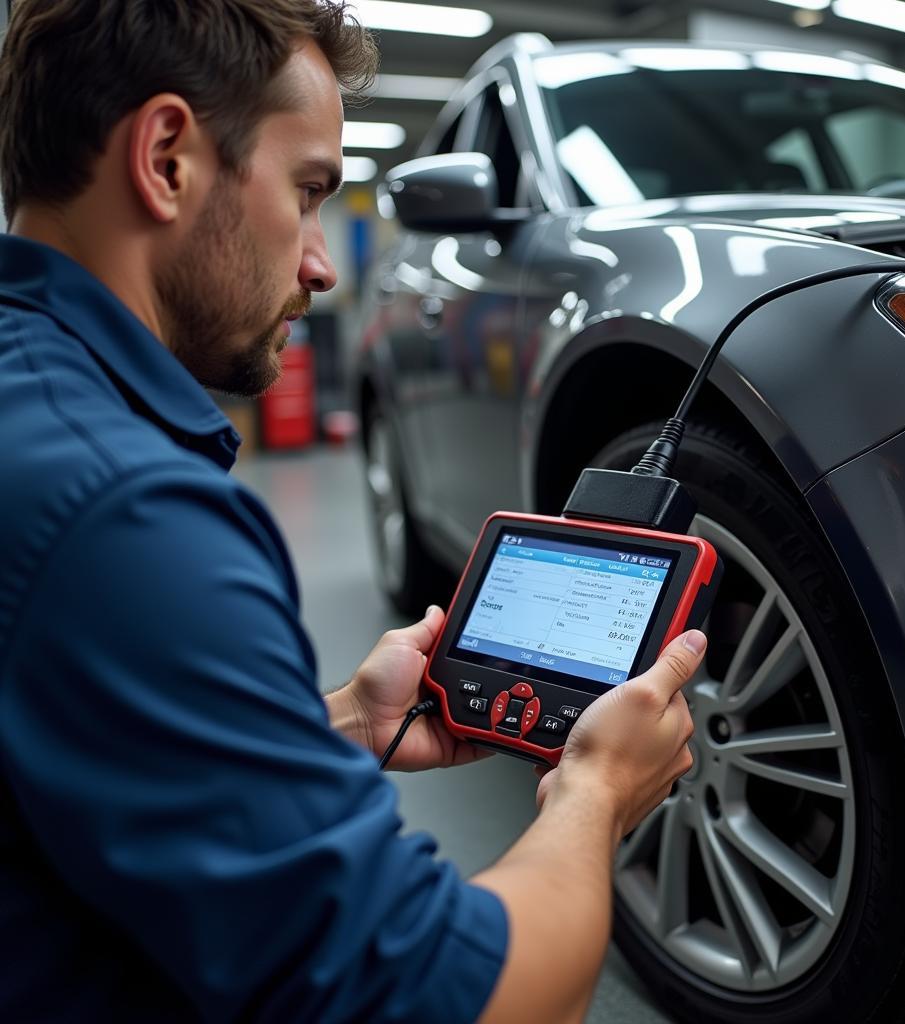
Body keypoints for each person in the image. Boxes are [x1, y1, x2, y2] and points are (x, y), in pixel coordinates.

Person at [0, 2, 705, 1021]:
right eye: (308, 191)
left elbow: (85, 742)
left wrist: (330, 722)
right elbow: (448, 1001)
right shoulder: (124, 514)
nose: (325, 264)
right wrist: (595, 790)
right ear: (164, 159)